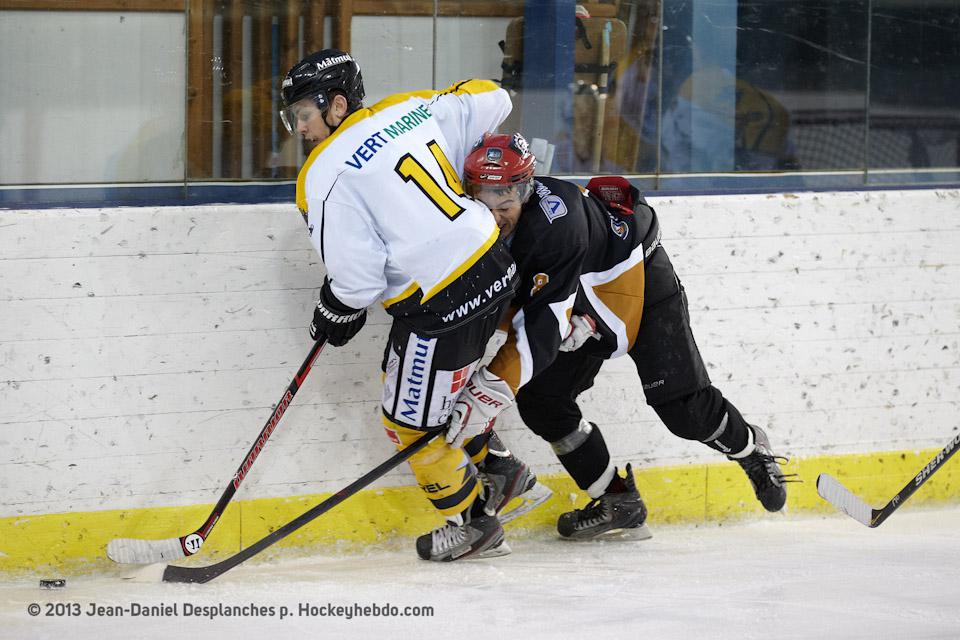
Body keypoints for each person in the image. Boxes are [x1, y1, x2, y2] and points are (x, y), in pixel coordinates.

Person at [452, 132, 795, 539]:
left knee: (683, 408)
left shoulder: (559, 225)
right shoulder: (483, 222)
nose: (492, 216)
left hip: (637, 282)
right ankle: (618, 500)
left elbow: (603, 322)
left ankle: (752, 449)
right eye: (482, 203)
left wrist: (493, 384)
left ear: (526, 189)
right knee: (542, 401)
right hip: (580, 297)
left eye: (504, 204)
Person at [279, 50, 549, 561]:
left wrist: (335, 309)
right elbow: (494, 98)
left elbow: (356, 282)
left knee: (409, 422)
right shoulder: (409, 108)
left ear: (337, 105)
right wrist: (448, 102)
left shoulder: (321, 176)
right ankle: (501, 470)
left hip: (440, 302)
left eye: (304, 115)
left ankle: (476, 526)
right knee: (422, 385)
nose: (301, 129)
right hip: (495, 267)